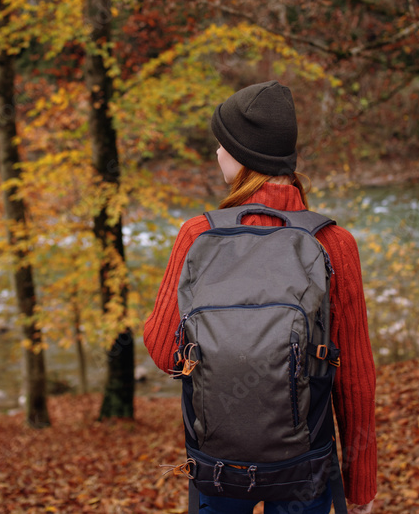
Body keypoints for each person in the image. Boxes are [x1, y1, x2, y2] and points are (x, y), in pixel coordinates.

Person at [144, 80, 377, 514]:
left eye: (222, 144)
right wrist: (360, 487)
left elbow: (163, 353)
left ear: (243, 156)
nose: (217, 153)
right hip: (305, 465)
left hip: (218, 466)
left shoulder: (198, 234)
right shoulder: (332, 241)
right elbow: (355, 375)